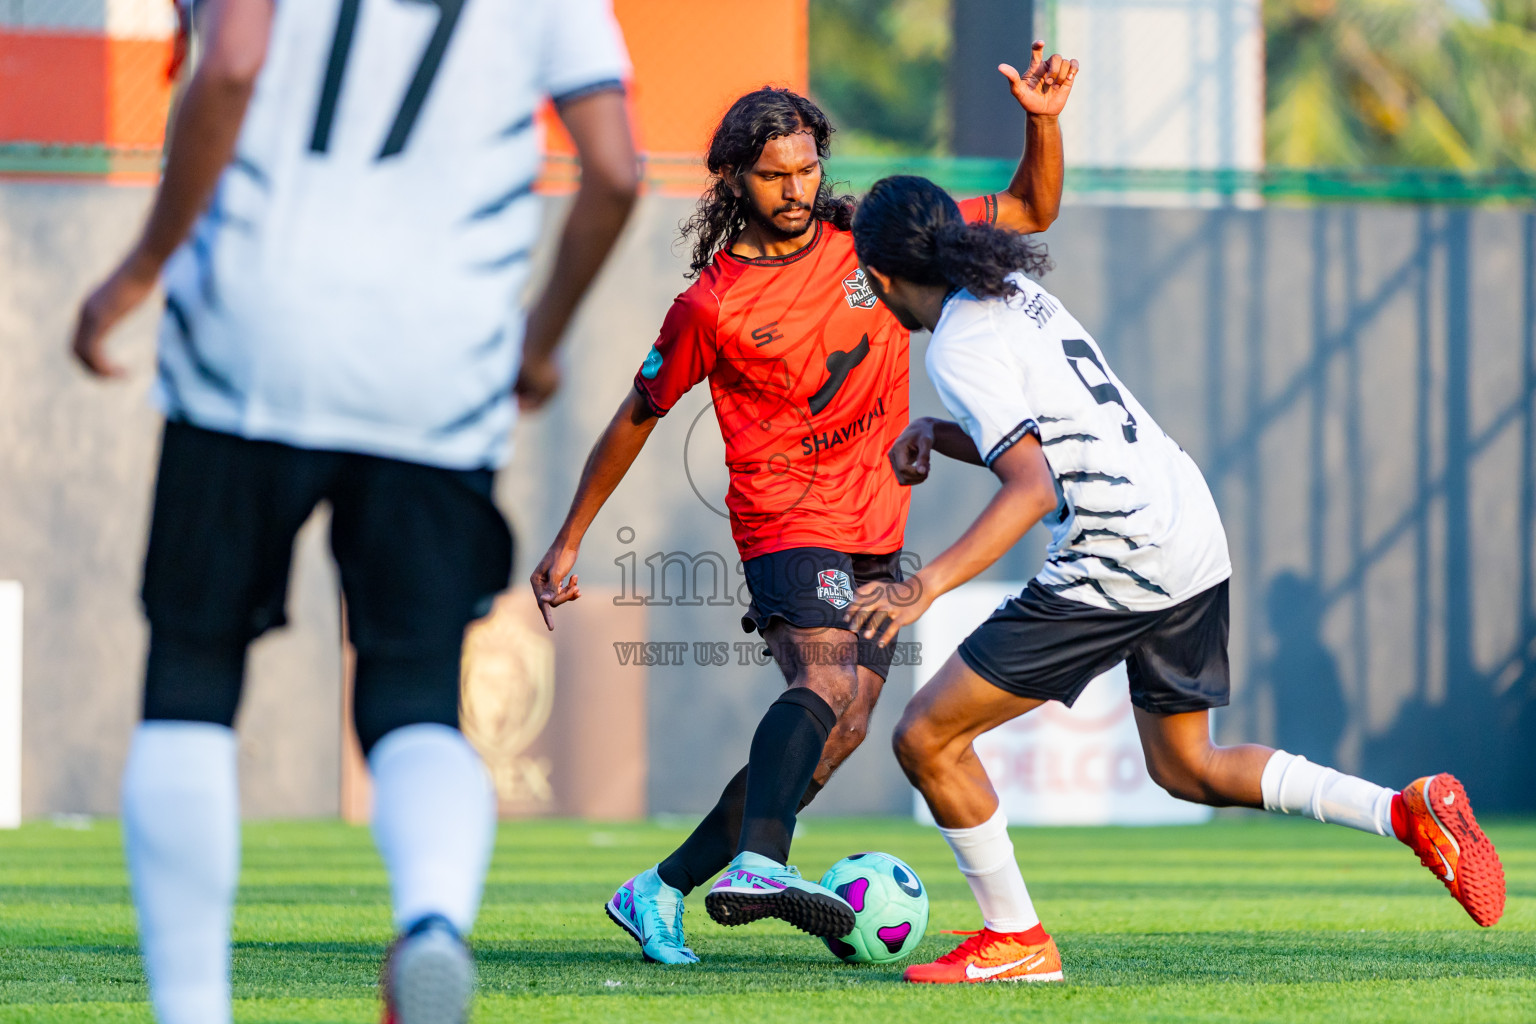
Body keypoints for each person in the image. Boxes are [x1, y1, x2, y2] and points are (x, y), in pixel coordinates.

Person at [69, 0, 639, 1020]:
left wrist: (143, 265)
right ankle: (430, 922)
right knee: (413, 699)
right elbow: (616, 170)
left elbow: (234, 61)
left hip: (249, 340)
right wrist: (542, 338)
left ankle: (191, 1006)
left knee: (191, 681)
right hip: (435, 368)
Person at [843, 175, 1507, 984]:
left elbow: (1032, 488)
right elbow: (1055, 433)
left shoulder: (956, 342)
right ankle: (1402, 811)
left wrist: (926, 585)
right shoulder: (1010, 291)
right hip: (1185, 520)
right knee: (1185, 766)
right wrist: (938, 434)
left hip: (1121, 548)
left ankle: (1015, 938)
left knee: (926, 737)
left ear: (878, 278)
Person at [531, 50, 1079, 960]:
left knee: (843, 727)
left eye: (807, 167)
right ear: (735, 180)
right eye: (773, 174)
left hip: (877, 529)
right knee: (821, 683)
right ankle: (760, 862)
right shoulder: (712, 305)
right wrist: (570, 538)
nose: (794, 188)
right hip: (786, 524)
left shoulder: (871, 239)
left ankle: (658, 889)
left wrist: (1043, 121)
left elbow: (1028, 212)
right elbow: (636, 418)